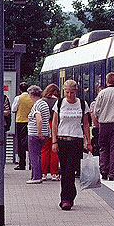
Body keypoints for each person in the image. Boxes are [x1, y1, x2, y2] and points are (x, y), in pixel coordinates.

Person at [51, 79, 91, 210]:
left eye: (72, 93)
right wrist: (54, 141)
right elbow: (55, 123)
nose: (69, 95)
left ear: (76, 92)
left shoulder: (82, 104)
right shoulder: (60, 103)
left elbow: (86, 124)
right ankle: (66, 198)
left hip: (76, 141)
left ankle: (68, 197)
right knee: (65, 170)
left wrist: (88, 142)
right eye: (67, 92)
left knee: (70, 170)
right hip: (62, 141)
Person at [24, 85, 48, 184]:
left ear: (33, 94)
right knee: (38, 155)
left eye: (29, 94)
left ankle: (36, 177)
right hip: (44, 133)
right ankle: (37, 175)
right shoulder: (44, 104)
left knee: (33, 155)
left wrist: (39, 132)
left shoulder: (37, 105)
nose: (29, 97)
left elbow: (39, 120)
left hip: (35, 134)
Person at [41, 83, 60, 181]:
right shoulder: (58, 102)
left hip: (44, 126)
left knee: (44, 151)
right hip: (54, 126)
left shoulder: (42, 101)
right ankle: (54, 174)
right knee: (54, 151)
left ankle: (43, 173)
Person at [11, 82, 30, 169]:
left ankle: (22, 163)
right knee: (30, 143)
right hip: (30, 122)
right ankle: (31, 164)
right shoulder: (31, 98)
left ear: (20, 89)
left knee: (20, 143)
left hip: (20, 121)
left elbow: (13, 109)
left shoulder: (18, 98)